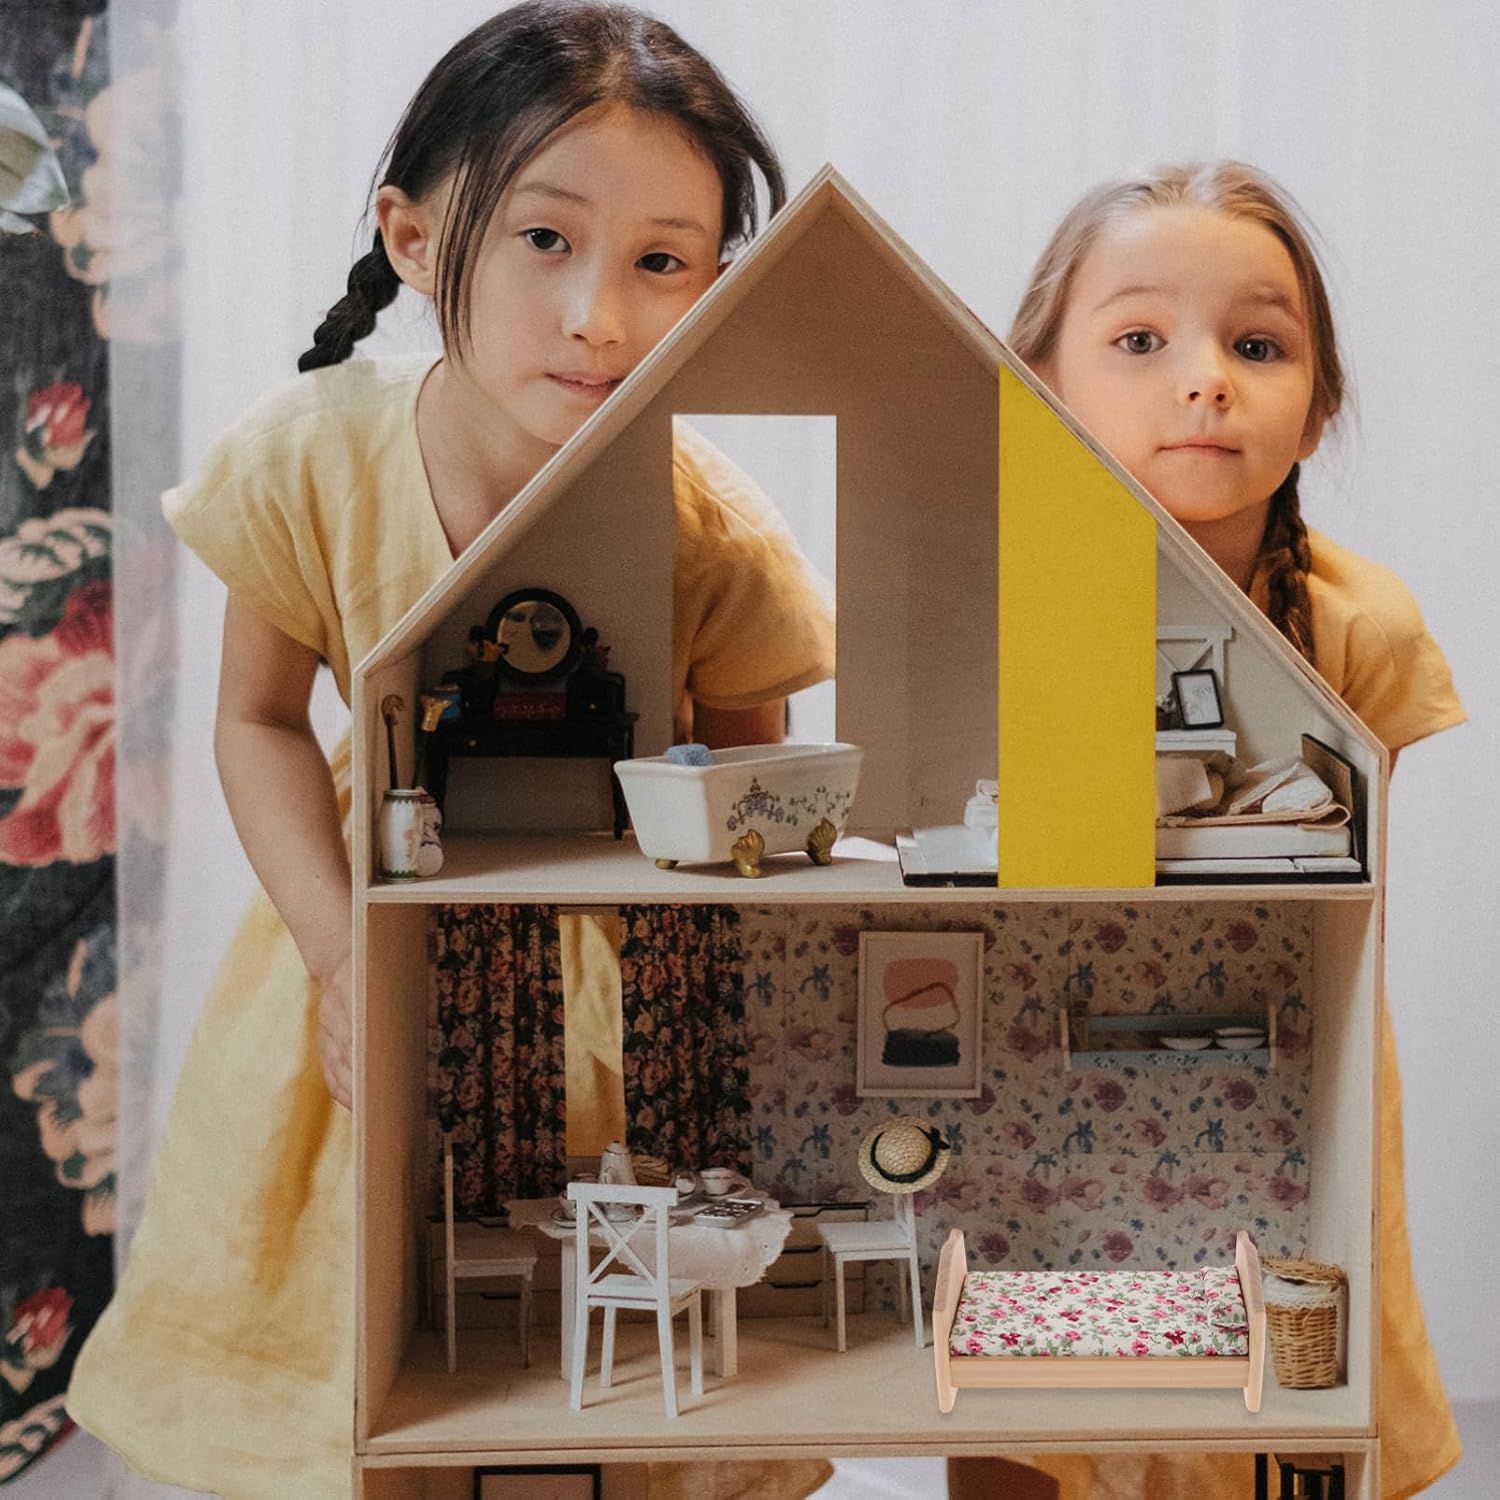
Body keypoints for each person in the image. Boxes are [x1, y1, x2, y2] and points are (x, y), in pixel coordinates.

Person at [66, 6, 833, 1497]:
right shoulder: (311, 455)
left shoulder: (711, 527)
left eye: (661, 262)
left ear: (715, 289)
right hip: (361, 949)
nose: (598, 315)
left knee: (597, 1383)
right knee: (350, 1360)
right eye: (546, 240)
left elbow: (757, 799)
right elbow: (256, 718)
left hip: (619, 998)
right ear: (416, 240)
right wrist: (338, 950)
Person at [949, 160, 1465, 1500]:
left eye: (1257, 346)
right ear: (1040, 385)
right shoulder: (994, 601)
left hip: (1290, 1072)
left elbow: (1349, 915)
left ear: (1320, 403)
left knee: (1285, 1390)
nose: (1205, 382)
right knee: (1028, 1410)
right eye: (1139, 341)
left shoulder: (1357, 621)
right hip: (1043, 1072)